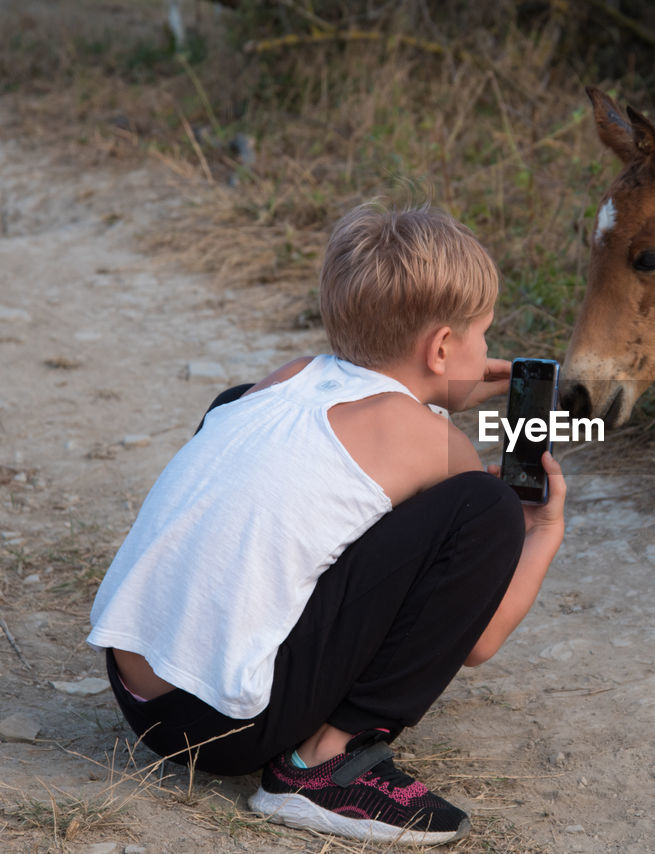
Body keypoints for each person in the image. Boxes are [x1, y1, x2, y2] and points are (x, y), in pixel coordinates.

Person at [86, 203, 566, 846]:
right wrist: (539, 531)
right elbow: (475, 641)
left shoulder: (286, 379)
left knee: (237, 417)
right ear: (443, 347)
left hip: (139, 698)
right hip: (227, 729)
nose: (486, 355)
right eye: (481, 336)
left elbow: (350, 444)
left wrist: (435, 386)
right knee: (486, 507)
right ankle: (323, 766)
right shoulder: (436, 445)